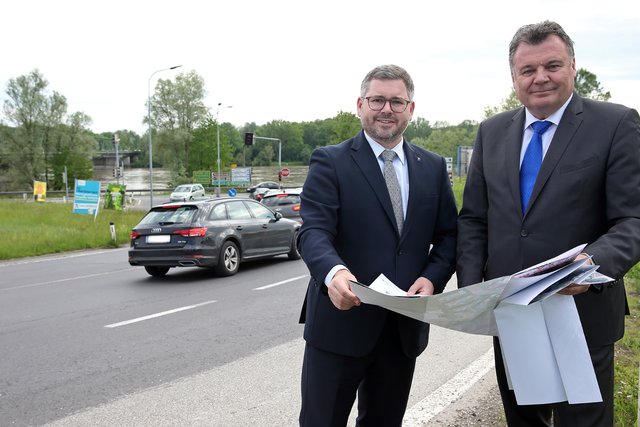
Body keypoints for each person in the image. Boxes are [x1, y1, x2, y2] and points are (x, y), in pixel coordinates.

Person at [457, 20, 640, 427]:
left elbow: (632, 219)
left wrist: (588, 267)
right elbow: (473, 218)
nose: (540, 78)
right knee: (524, 421)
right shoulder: (492, 132)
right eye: (528, 70)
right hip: (511, 314)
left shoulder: (615, 123)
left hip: (580, 312)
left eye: (552, 66)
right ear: (514, 77)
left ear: (573, 66)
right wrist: (472, 290)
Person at [297, 64, 457, 426]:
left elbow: (450, 235)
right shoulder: (331, 161)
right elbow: (313, 232)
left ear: (411, 110)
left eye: (397, 102)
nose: (387, 109)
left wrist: (432, 278)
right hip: (340, 323)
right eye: (377, 100)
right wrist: (333, 273)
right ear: (360, 104)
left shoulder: (431, 167)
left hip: (402, 330)